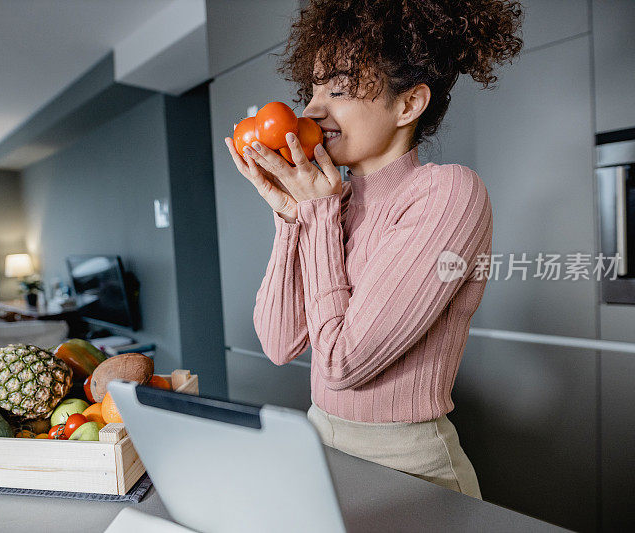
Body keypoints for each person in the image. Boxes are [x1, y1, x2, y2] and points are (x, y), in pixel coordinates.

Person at [224, 0, 523, 499]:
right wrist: (289, 216)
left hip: (410, 471)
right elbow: (279, 344)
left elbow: (342, 364)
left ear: (408, 104)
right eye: (313, 90)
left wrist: (315, 216)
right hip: (319, 446)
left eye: (339, 90)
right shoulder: (330, 202)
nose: (313, 110)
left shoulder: (449, 194)